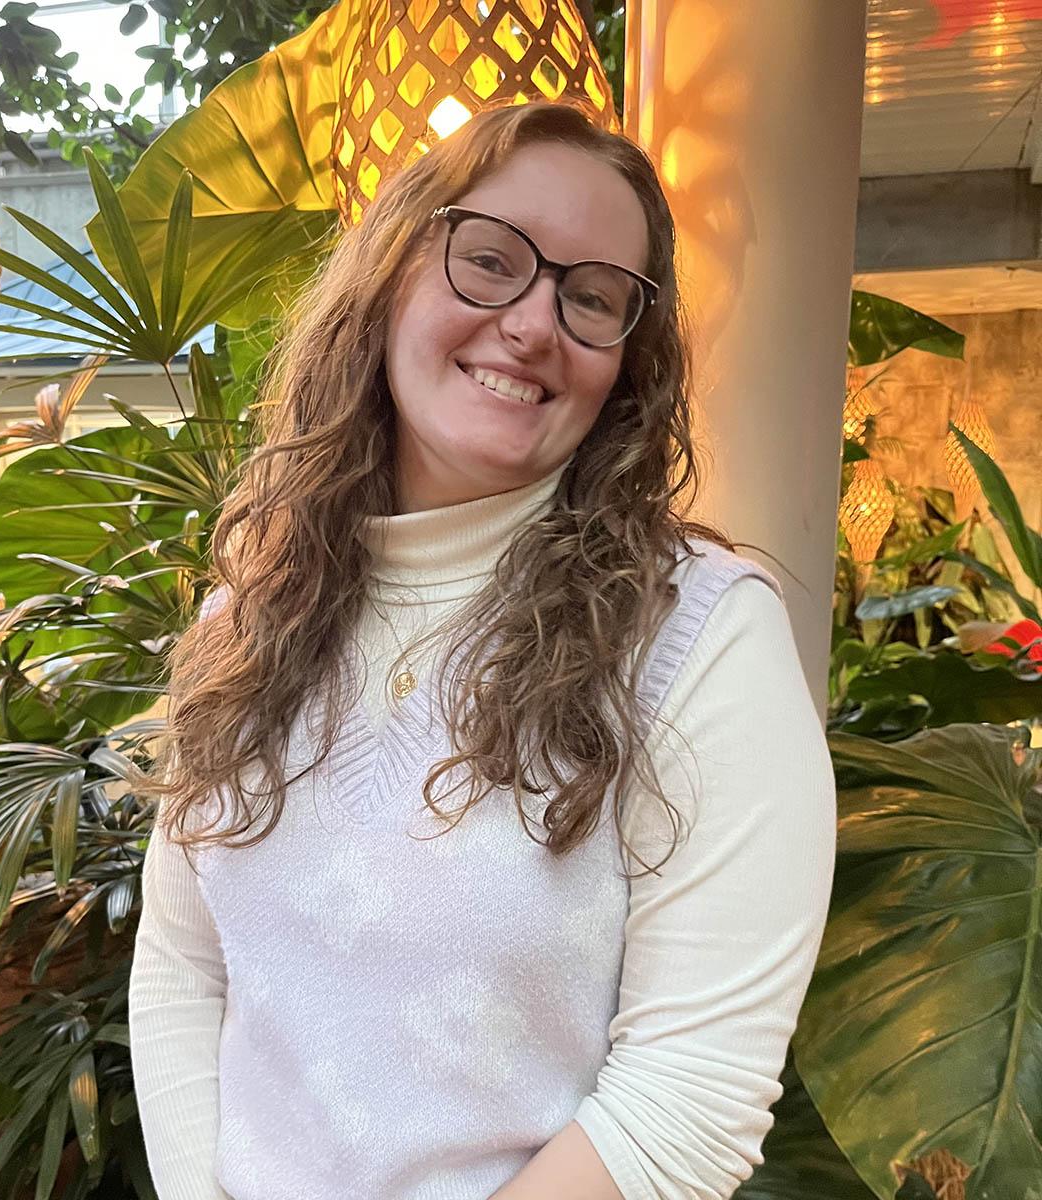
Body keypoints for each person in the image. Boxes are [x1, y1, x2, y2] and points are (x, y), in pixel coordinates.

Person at [130, 99, 836, 1200]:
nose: (533, 322)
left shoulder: (695, 634)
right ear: (389, 278)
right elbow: (183, 965)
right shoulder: (252, 611)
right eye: (492, 260)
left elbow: (686, 1102)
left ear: (626, 368)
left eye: (593, 297)